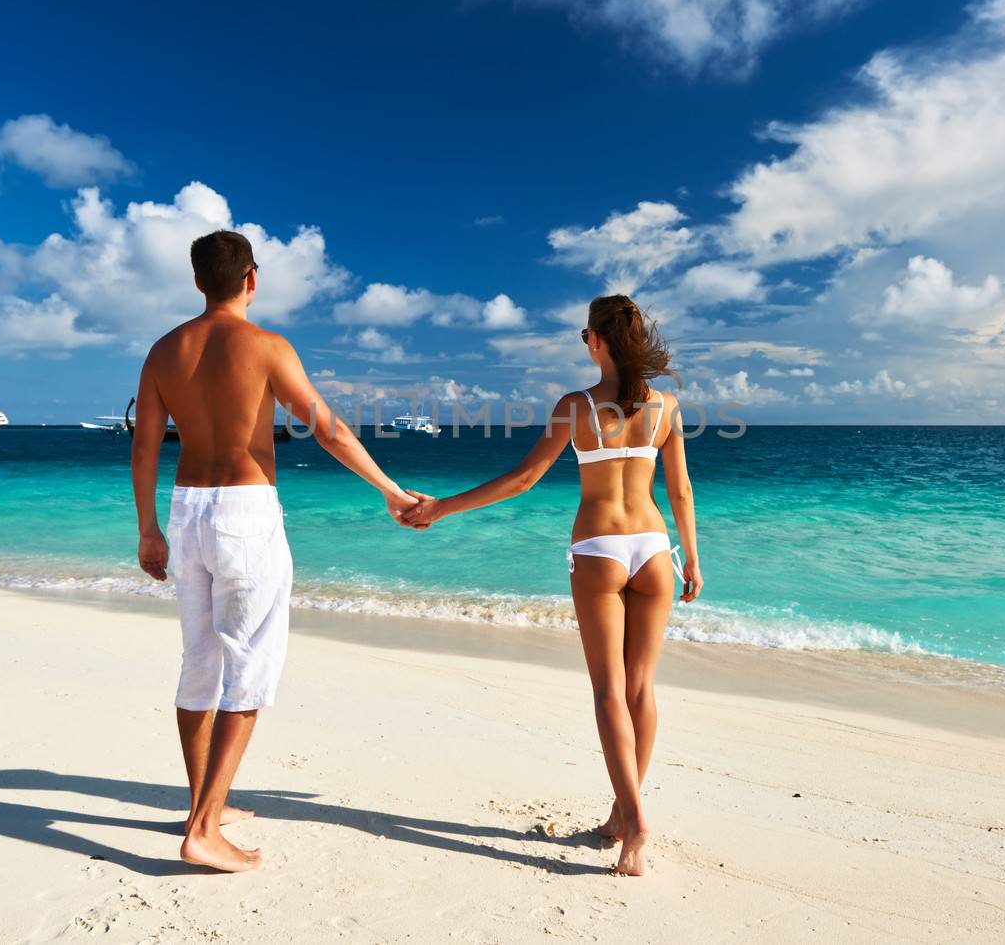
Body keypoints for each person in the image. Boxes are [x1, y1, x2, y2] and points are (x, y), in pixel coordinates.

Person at [132, 229, 418, 873]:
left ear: (199, 281)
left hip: (186, 511)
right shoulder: (265, 347)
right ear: (251, 279)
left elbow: (145, 447)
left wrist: (148, 528)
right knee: (251, 664)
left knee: (200, 661)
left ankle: (205, 803)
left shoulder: (162, 351)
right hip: (244, 513)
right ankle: (204, 829)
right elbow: (329, 428)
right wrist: (391, 491)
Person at [400, 295, 703, 876]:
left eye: (584, 334)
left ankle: (634, 820)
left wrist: (441, 508)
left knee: (609, 693)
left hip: (599, 551)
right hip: (655, 550)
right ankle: (622, 814)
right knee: (642, 689)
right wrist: (691, 558)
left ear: (596, 341)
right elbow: (682, 490)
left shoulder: (577, 407)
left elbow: (523, 479)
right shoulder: (667, 409)